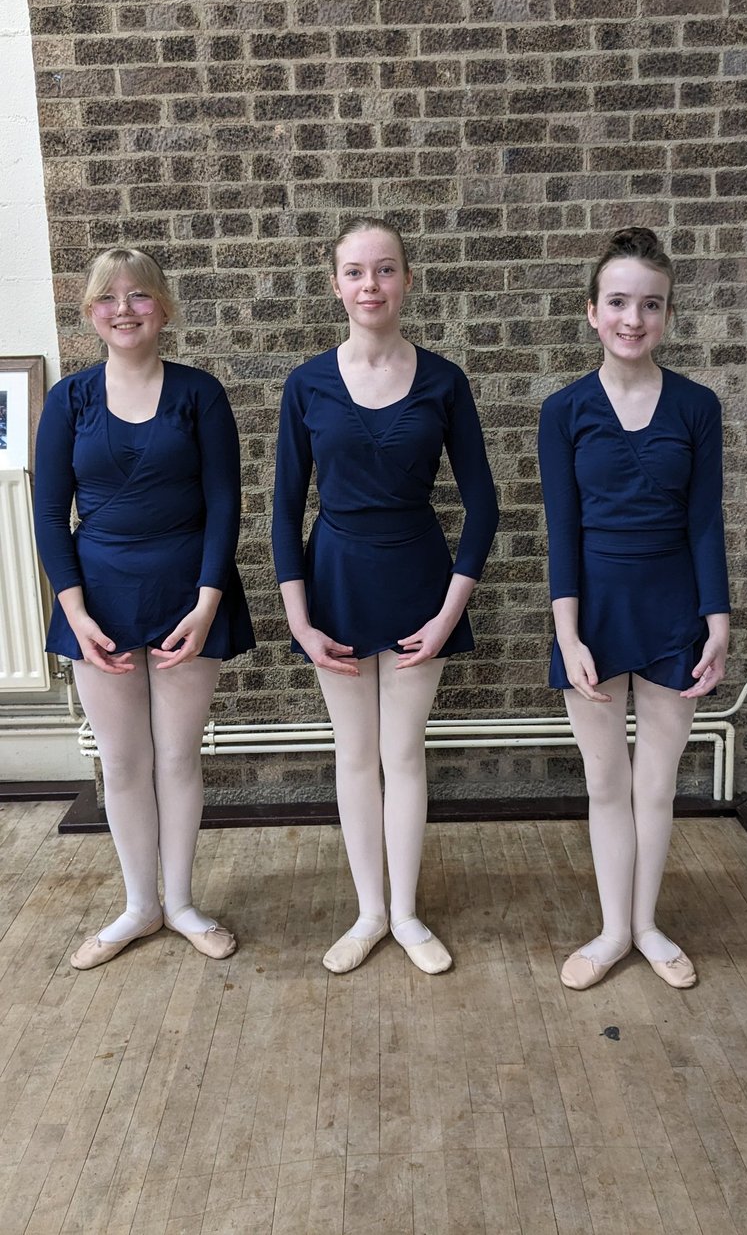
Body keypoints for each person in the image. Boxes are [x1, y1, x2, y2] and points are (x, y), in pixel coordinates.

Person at [271, 216, 499, 974]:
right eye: (357, 271)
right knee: (354, 754)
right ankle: (368, 910)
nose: (372, 284)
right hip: (334, 576)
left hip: (416, 579)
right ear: (335, 284)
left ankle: (406, 912)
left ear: (407, 279)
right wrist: (299, 619)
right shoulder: (306, 383)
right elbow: (282, 506)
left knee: (402, 752)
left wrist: (449, 611)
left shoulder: (443, 380)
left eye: (386, 269)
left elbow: (484, 503)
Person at [34, 248, 255, 969]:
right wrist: (76, 609)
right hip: (97, 600)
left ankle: (184, 901)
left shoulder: (200, 394)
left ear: (163, 306)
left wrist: (205, 602)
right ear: (90, 311)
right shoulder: (70, 400)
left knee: (178, 758)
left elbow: (226, 503)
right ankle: (139, 905)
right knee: (124, 763)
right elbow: (48, 515)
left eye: (138, 296)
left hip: (188, 595)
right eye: (108, 297)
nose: (123, 309)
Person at [538, 227, 730, 991]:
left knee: (656, 782)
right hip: (594, 615)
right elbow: (563, 528)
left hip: (674, 611)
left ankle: (647, 924)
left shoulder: (697, 406)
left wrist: (718, 617)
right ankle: (613, 928)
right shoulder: (565, 409)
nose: (632, 318)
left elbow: (706, 519)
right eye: (618, 301)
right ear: (592, 311)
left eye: (650, 305)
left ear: (668, 315)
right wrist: (568, 631)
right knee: (605, 781)